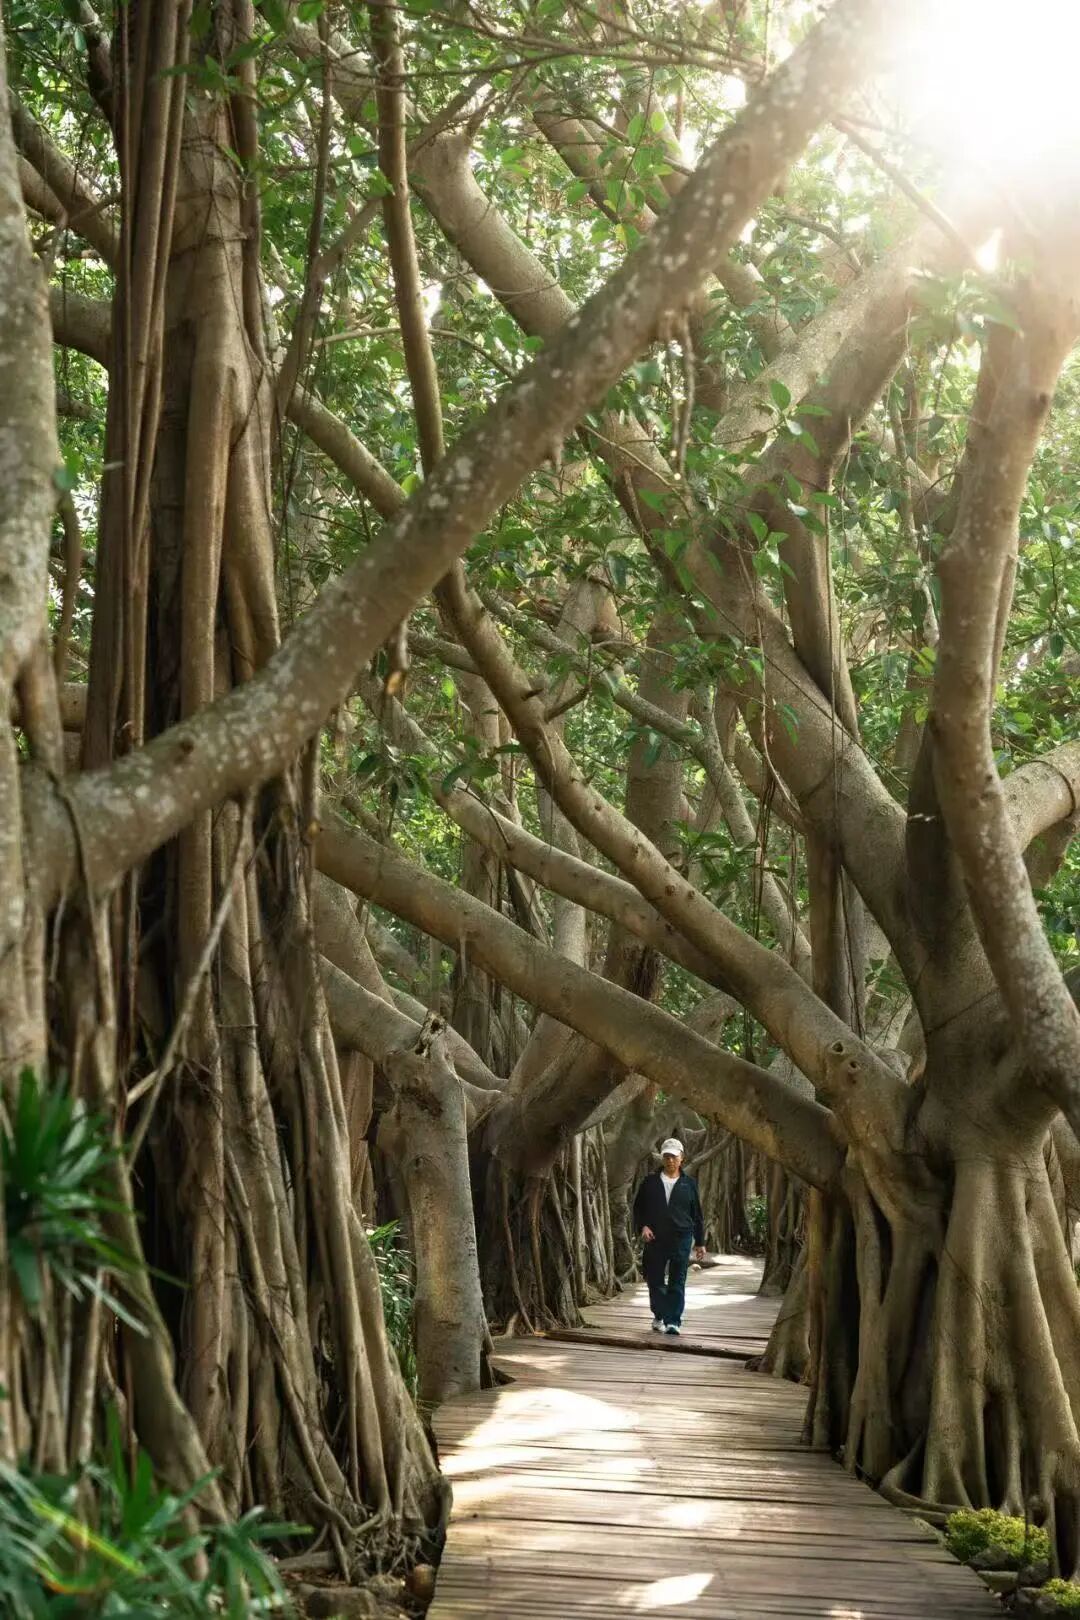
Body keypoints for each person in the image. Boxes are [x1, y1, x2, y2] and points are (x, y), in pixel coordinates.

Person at [632, 1138, 706, 1335]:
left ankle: (673, 1321)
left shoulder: (689, 1184)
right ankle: (659, 1314)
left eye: (674, 1156)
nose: (670, 1160)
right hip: (655, 1238)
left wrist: (700, 1242)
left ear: (681, 1158)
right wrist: (643, 1227)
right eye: (666, 1156)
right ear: (662, 1158)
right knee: (655, 1279)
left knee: (677, 1279)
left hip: (681, 1238)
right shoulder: (650, 1182)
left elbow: (697, 1214)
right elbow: (638, 1209)